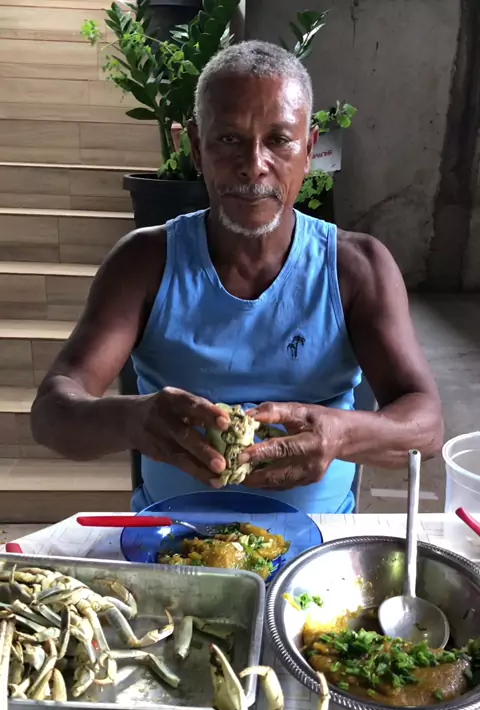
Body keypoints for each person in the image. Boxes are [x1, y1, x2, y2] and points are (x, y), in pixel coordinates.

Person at [30, 40, 443, 514]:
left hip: (321, 543)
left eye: (279, 140)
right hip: (170, 541)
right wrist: (134, 420)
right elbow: (52, 413)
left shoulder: (356, 267)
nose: (253, 165)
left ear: (309, 150)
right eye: (228, 139)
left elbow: (427, 426)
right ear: (196, 147)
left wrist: (341, 434)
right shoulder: (144, 263)